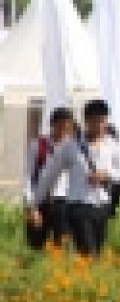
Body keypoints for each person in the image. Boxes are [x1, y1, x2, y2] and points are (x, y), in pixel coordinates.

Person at [29, 100, 120, 255]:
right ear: (87, 121)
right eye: (95, 121)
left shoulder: (112, 145)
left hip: (102, 206)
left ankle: (88, 278)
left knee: (97, 252)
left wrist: (106, 175)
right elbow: (49, 174)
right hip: (79, 206)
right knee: (88, 253)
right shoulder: (71, 146)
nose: (99, 125)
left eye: (102, 121)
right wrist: (34, 204)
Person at [24, 107, 75, 250]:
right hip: (41, 201)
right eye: (60, 126)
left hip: (64, 203)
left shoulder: (74, 148)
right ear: (53, 125)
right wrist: (31, 206)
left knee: (62, 246)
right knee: (36, 244)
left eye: (67, 127)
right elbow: (28, 176)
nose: (63, 131)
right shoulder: (38, 145)